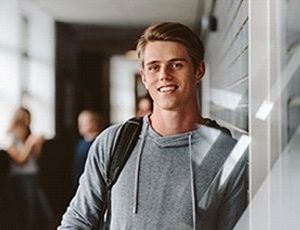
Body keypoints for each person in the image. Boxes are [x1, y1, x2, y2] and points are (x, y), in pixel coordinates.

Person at [58, 22, 248, 230]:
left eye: (176, 65)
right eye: (154, 67)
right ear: (144, 77)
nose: (164, 75)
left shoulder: (227, 154)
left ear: (199, 70)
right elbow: (77, 222)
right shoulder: (113, 143)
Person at [4, 107, 54, 230]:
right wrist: (29, 144)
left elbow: (35, 161)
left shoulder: (27, 136)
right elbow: (20, 160)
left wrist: (38, 146)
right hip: (21, 178)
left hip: (33, 176)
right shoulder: (10, 137)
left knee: (46, 213)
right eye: (25, 119)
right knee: (28, 215)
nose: (28, 123)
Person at [73, 109, 103, 188]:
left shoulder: (101, 142)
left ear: (95, 123)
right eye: (79, 123)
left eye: (84, 123)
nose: (80, 126)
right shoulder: (81, 143)